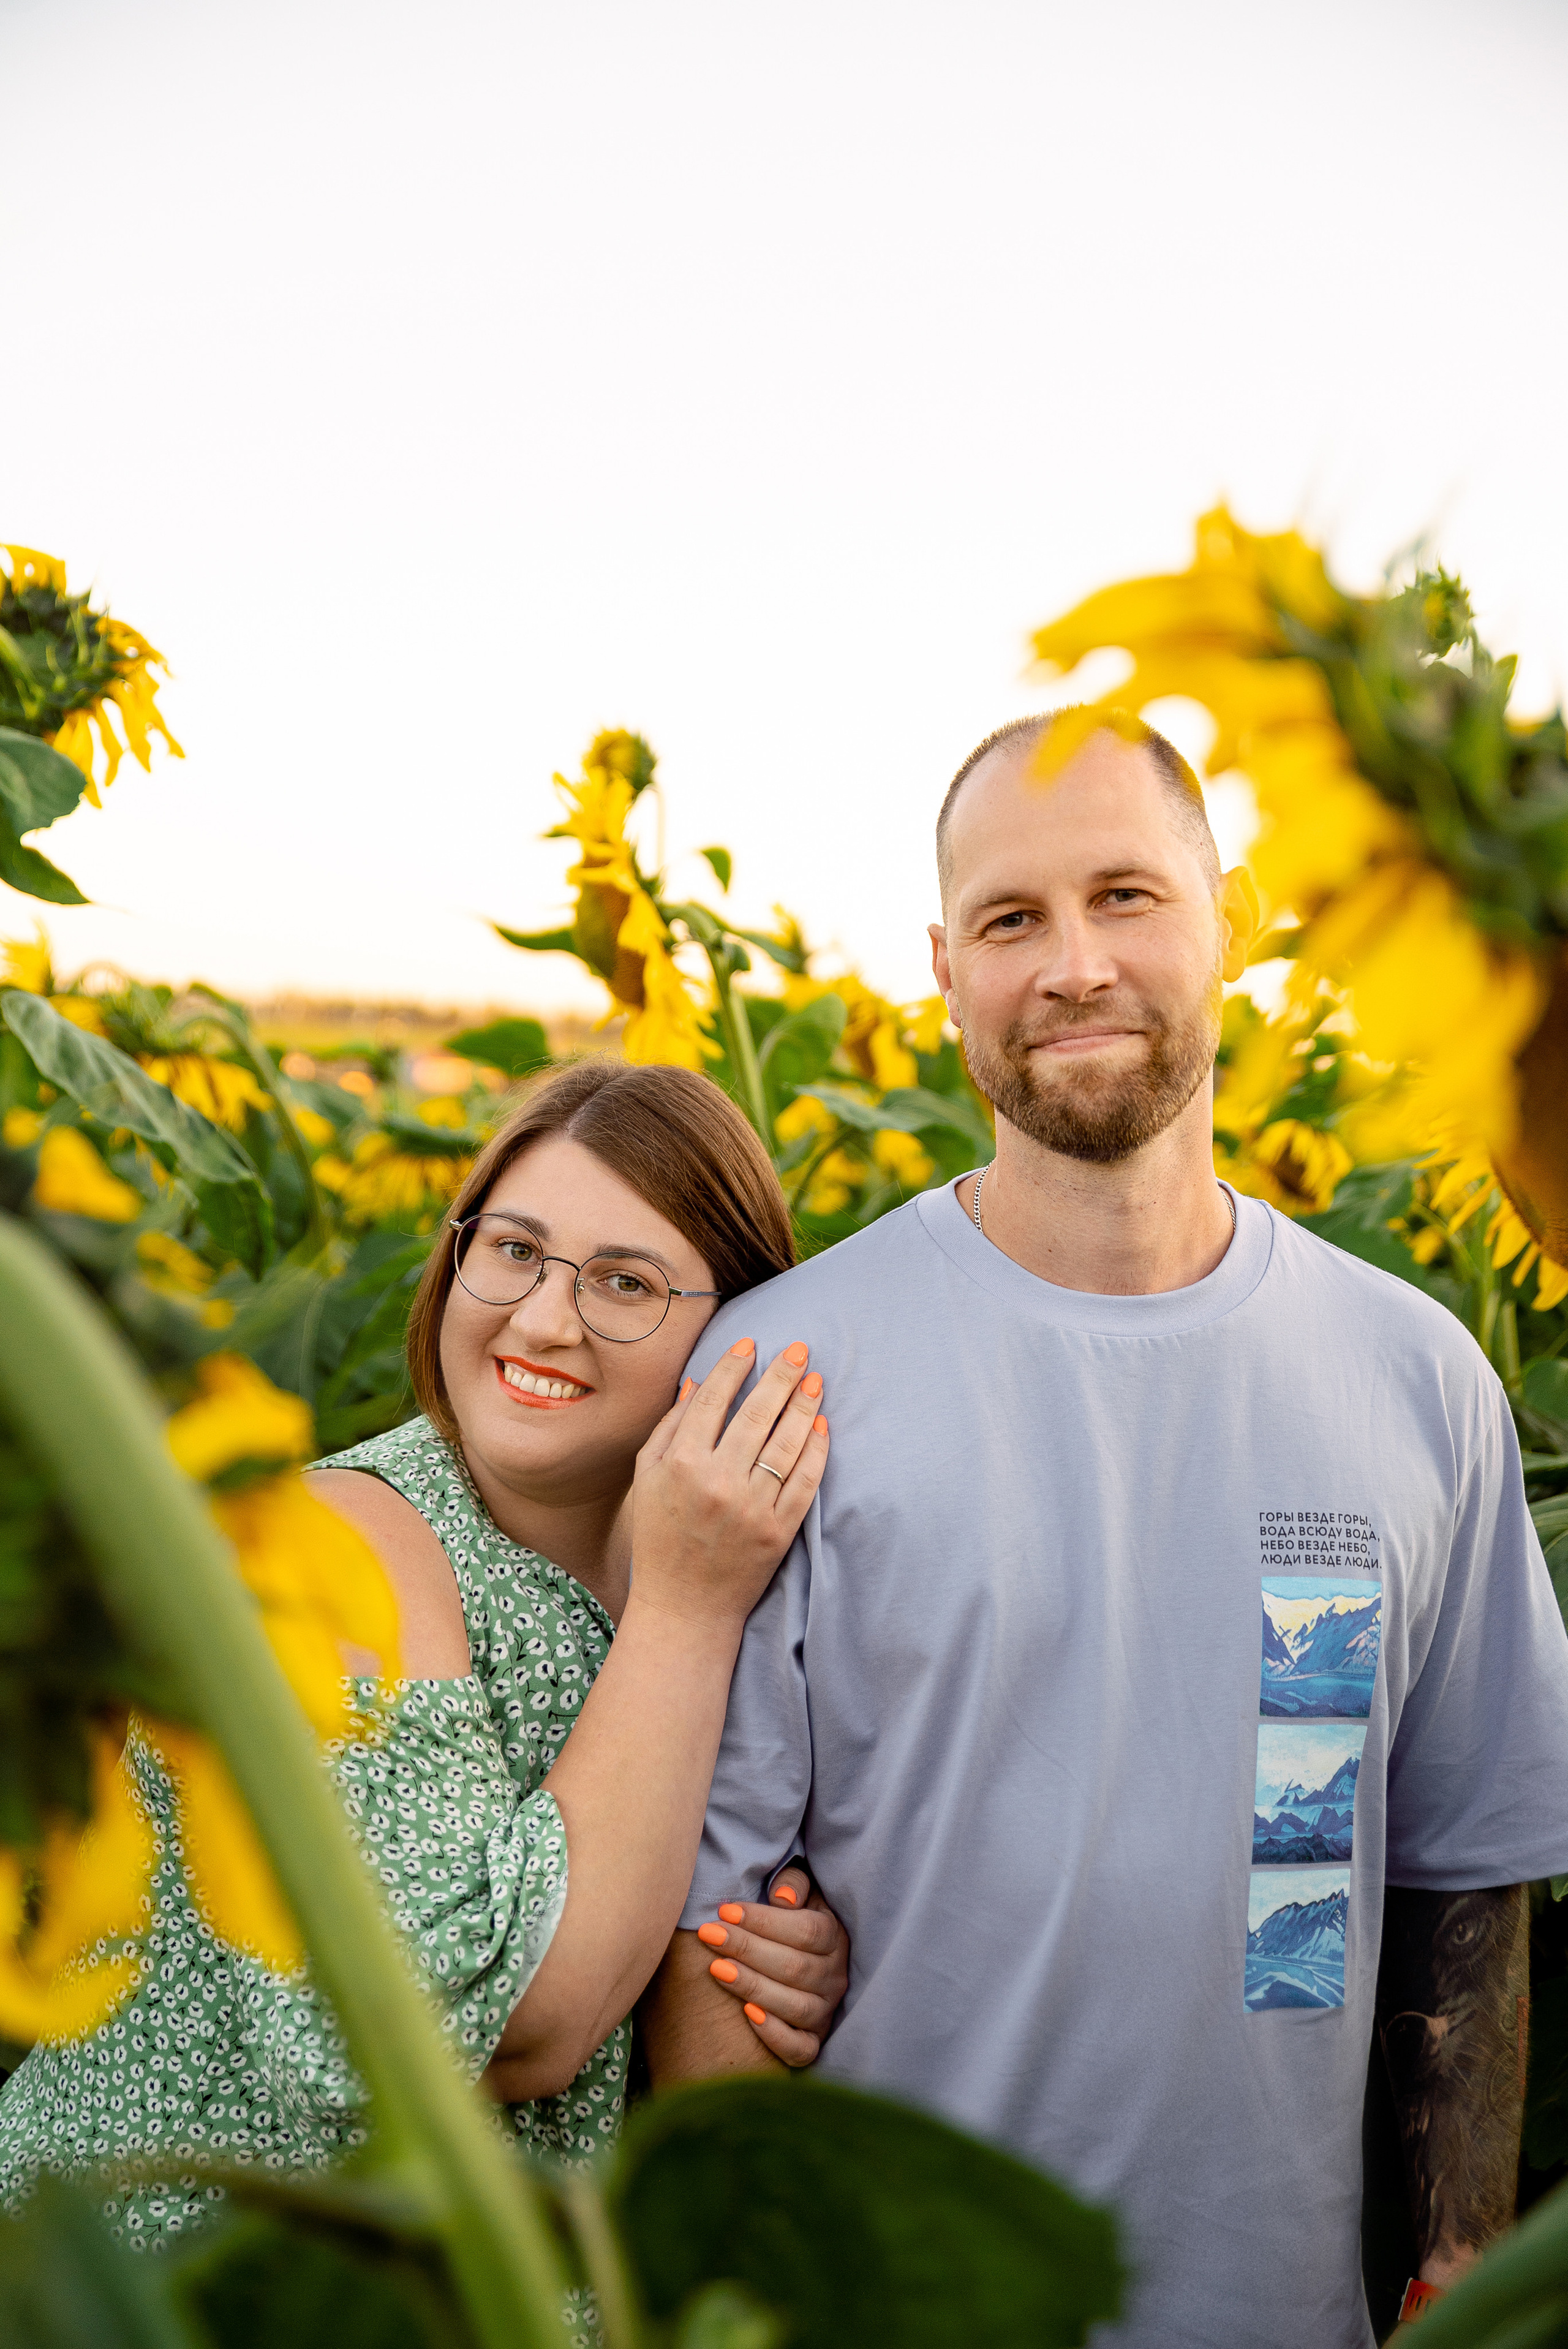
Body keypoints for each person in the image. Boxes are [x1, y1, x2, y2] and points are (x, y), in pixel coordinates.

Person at [642, 712, 1568, 2349]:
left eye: (1127, 896)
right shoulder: (786, 1374)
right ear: (944, 968)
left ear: (1232, 918)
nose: (1072, 966)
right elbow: (710, 1948)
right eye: (1011, 920)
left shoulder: (1419, 1376)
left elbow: (1460, 1887)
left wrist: (1456, 2283)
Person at [0, 1061, 849, 2240]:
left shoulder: (722, 1570)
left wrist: (761, 1957)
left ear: (739, 1330)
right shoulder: (347, 1540)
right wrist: (691, 1611)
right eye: (511, 1249)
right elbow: (497, 2025)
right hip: (177, 2286)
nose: (544, 1317)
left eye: (626, 1281)